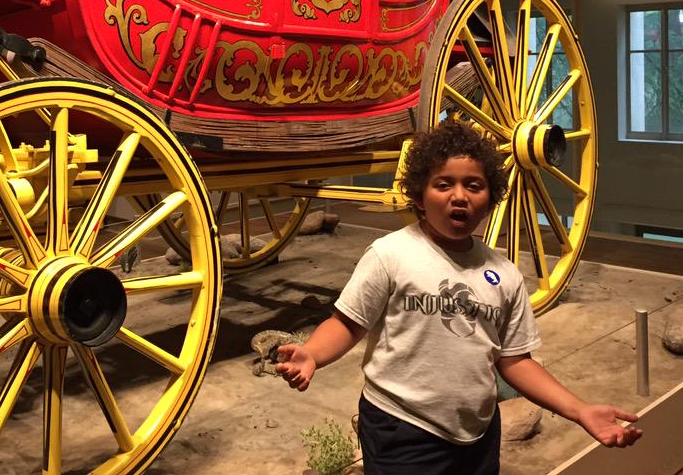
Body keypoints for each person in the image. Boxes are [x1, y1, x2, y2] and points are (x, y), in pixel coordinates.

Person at [275, 120, 642, 474]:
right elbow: (347, 324)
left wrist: (579, 410)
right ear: (420, 195)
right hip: (401, 427)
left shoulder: (505, 276)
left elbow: (516, 362)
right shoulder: (390, 254)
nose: (459, 196)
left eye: (474, 185)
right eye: (443, 184)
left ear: (491, 197)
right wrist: (313, 353)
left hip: (478, 432)